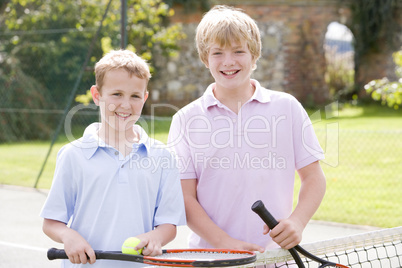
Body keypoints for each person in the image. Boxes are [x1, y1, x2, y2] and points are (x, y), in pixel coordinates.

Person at [168, 5, 326, 253]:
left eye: (238, 51)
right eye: (217, 53)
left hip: (274, 257)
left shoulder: (288, 108)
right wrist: (224, 244)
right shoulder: (185, 119)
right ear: (204, 58)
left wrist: (297, 221)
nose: (228, 62)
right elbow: (185, 198)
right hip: (212, 257)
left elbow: (314, 177)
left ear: (254, 56)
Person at [41, 49, 186, 267]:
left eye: (135, 96)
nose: (126, 105)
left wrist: (156, 238)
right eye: (117, 94)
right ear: (97, 95)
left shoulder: (163, 157)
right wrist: (68, 236)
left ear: (145, 98)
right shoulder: (73, 155)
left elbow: (168, 225)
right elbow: (51, 222)